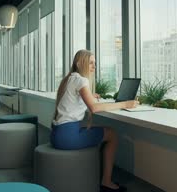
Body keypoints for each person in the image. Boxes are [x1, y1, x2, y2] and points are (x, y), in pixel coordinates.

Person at [51, 49, 139, 192]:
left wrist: (90, 95)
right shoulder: (81, 80)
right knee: (112, 134)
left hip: (56, 134)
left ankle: (99, 173)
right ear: (79, 64)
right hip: (67, 138)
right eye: (90, 63)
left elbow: (75, 98)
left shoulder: (69, 78)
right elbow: (94, 108)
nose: (94, 67)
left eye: (95, 63)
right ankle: (107, 182)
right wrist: (125, 104)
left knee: (102, 130)